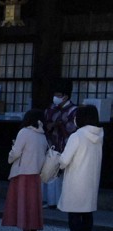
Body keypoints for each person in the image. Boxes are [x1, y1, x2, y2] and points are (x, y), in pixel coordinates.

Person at [57, 105, 104, 231]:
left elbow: (64, 160)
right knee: (87, 212)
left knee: (75, 212)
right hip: (92, 179)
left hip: (76, 178)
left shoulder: (77, 136)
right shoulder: (99, 135)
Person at [2, 109, 49, 231]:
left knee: (22, 202)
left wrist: (10, 156)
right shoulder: (42, 135)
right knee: (33, 203)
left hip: (22, 172)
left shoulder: (24, 132)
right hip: (36, 173)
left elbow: (16, 152)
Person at [43, 80, 79, 209]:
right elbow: (45, 124)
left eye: (59, 95)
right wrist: (51, 125)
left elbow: (73, 128)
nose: (56, 98)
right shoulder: (50, 109)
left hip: (68, 145)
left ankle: (65, 201)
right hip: (52, 145)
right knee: (51, 172)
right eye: (55, 94)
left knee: (66, 175)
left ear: (66, 96)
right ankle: (51, 201)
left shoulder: (74, 110)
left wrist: (59, 124)